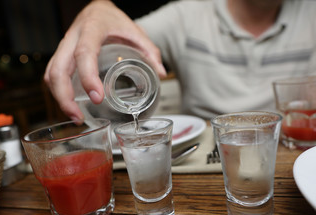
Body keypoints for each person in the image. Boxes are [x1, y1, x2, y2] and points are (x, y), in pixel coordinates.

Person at [44, 0, 316, 123]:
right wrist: (99, 8)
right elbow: (114, 39)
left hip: (290, 152)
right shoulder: (186, 16)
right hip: (196, 160)